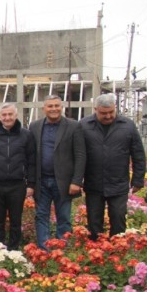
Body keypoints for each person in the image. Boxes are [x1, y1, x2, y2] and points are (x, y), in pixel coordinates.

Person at [81, 93, 146, 240]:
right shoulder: (84, 125)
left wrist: (138, 180)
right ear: (95, 109)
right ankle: (96, 252)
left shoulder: (127, 126)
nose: (108, 116)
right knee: (94, 222)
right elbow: (78, 155)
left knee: (118, 218)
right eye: (103, 113)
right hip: (93, 183)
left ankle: (117, 252)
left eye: (111, 112)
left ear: (115, 108)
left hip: (118, 184)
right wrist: (76, 180)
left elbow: (138, 154)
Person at [30, 95, 86, 249]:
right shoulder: (34, 126)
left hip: (64, 182)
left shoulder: (74, 126)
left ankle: (63, 250)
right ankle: (44, 250)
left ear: (62, 107)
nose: (54, 109)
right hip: (41, 182)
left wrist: (76, 181)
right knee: (41, 216)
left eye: (56, 105)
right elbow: (30, 154)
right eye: (50, 106)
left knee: (64, 217)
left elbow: (80, 155)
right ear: (44, 109)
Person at [0, 103, 36, 250]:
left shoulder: (26, 135)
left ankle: (14, 249)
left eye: (10, 114)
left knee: (15, 220)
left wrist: (31, 184)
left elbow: (32, 160)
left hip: (17, 185)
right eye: (4, 115)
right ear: (0, 117)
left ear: (15, 115)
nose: (7, 118)